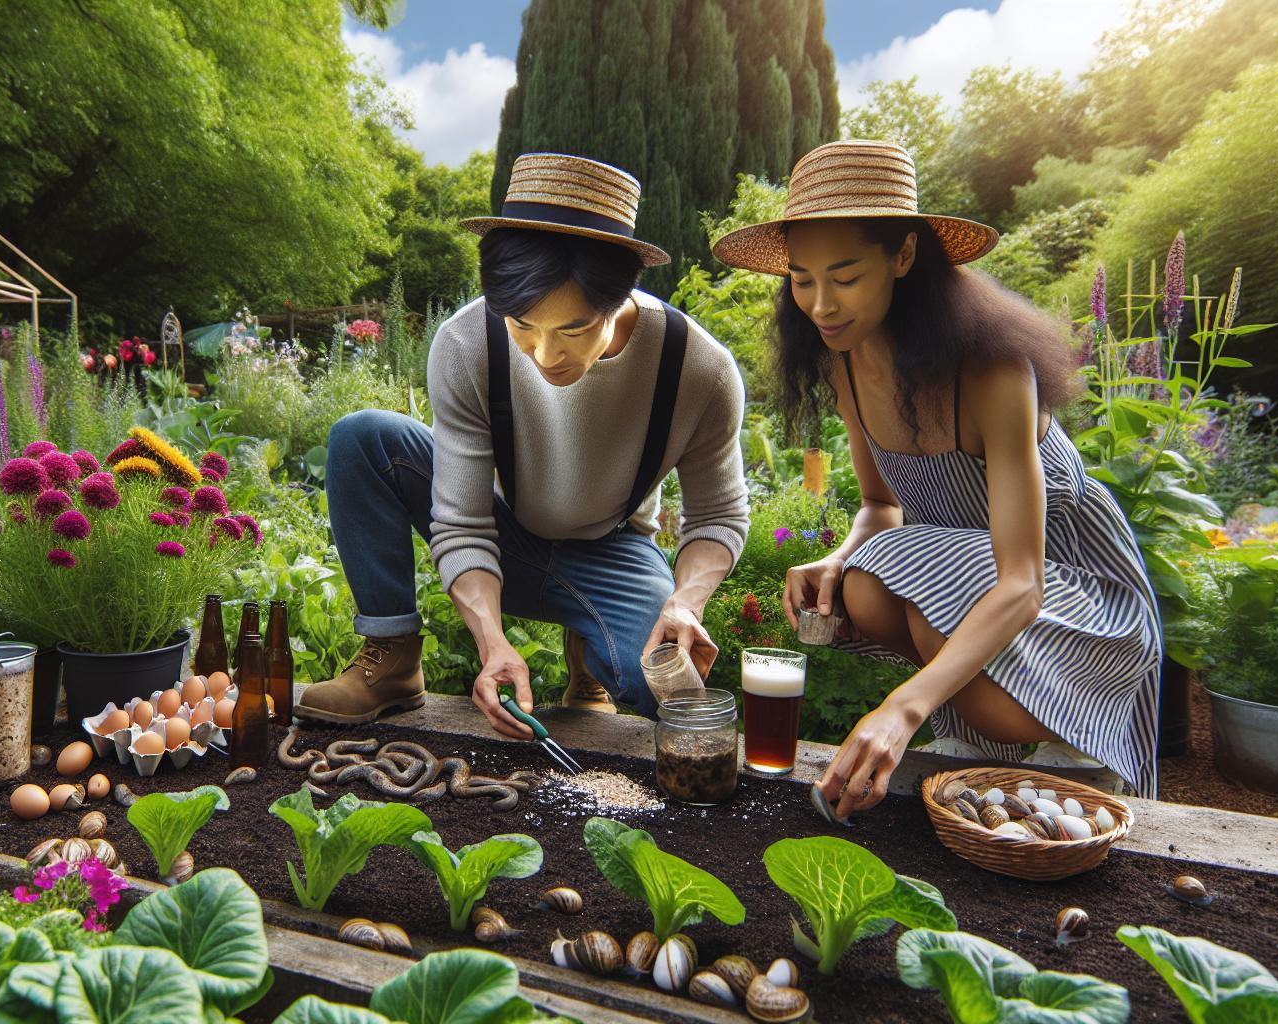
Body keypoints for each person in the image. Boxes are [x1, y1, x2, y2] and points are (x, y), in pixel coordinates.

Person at [712, 140, 1161, 816]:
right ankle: (983, 740)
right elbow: (878, 506)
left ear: (903, 257)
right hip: (956, 580)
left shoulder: (991, 367)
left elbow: (1022, 583)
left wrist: (904, 707)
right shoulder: (845, 360)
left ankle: (1073, 747)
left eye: (845, 275)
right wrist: (834, 561)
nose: (822, 305)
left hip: (1072, 602)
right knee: (864, 581)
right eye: (802, 280)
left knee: (916, 581)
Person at [295, 152, 750, 738]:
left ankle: (588, 659)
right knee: (364, 439)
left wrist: (686, 600)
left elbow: (717, 516)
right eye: (522, 327)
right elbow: (461, 522)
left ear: (622, 294)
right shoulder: (466, 342)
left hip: (611, 549)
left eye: (573, 329)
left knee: (665, 691)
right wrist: (490, 642)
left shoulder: (699, 369)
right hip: (500, 523)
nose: (544, 356)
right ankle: (392, 658)